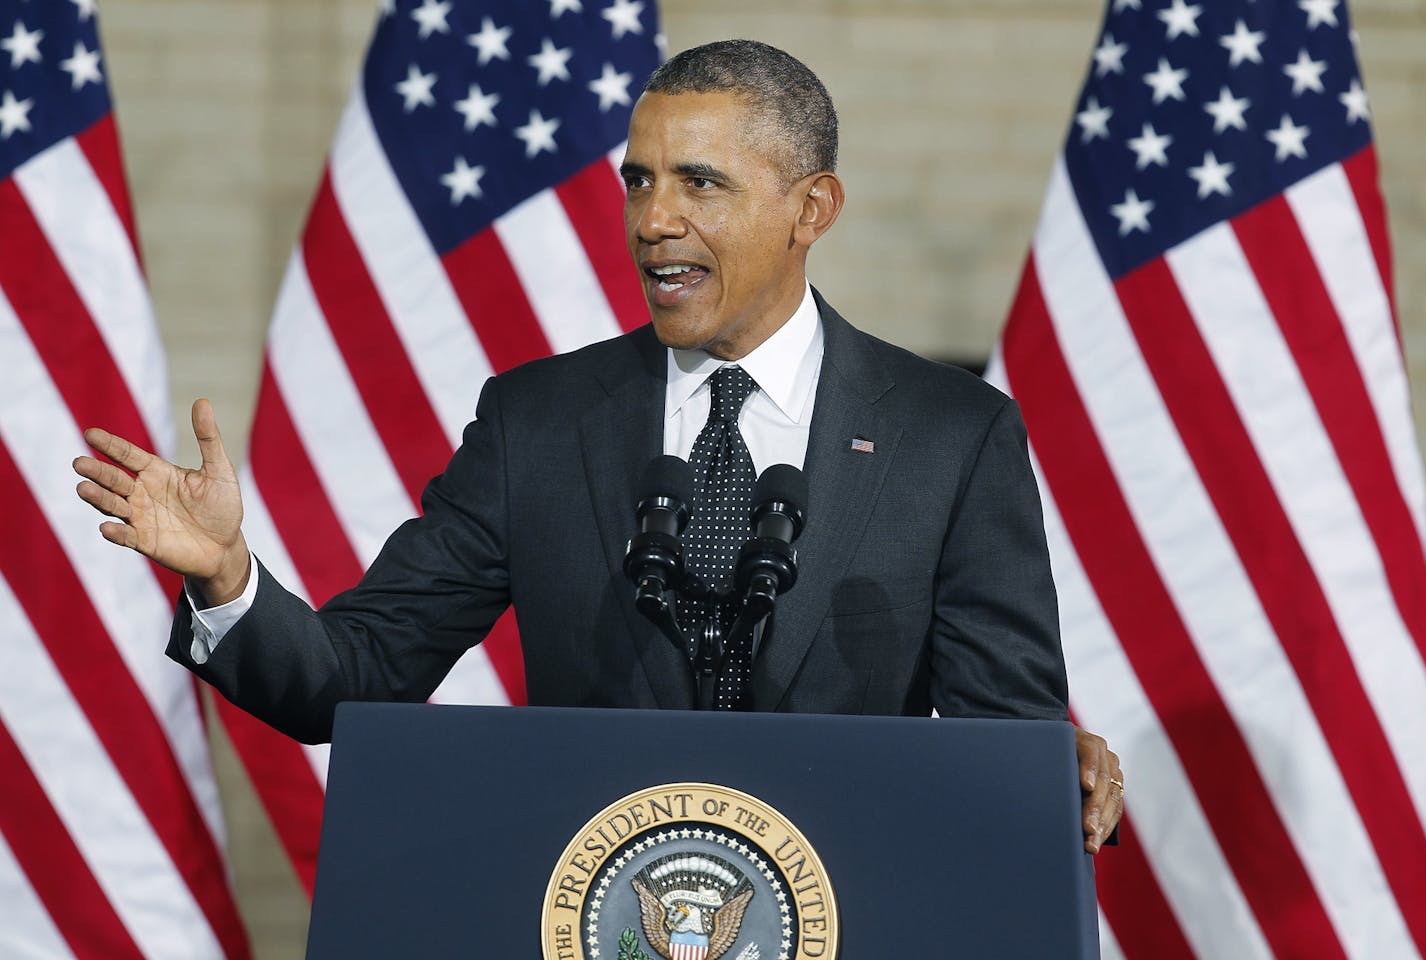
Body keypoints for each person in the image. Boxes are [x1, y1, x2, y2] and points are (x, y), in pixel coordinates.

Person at [74, 40, 1123, 853]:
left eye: (699, 184)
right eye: (638, 180)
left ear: (813, 208)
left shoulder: (950, 434)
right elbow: (352, 677)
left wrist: (1046, 767)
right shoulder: (539, 421)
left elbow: (1002, 739)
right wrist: (226, 579)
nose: (653, 220)